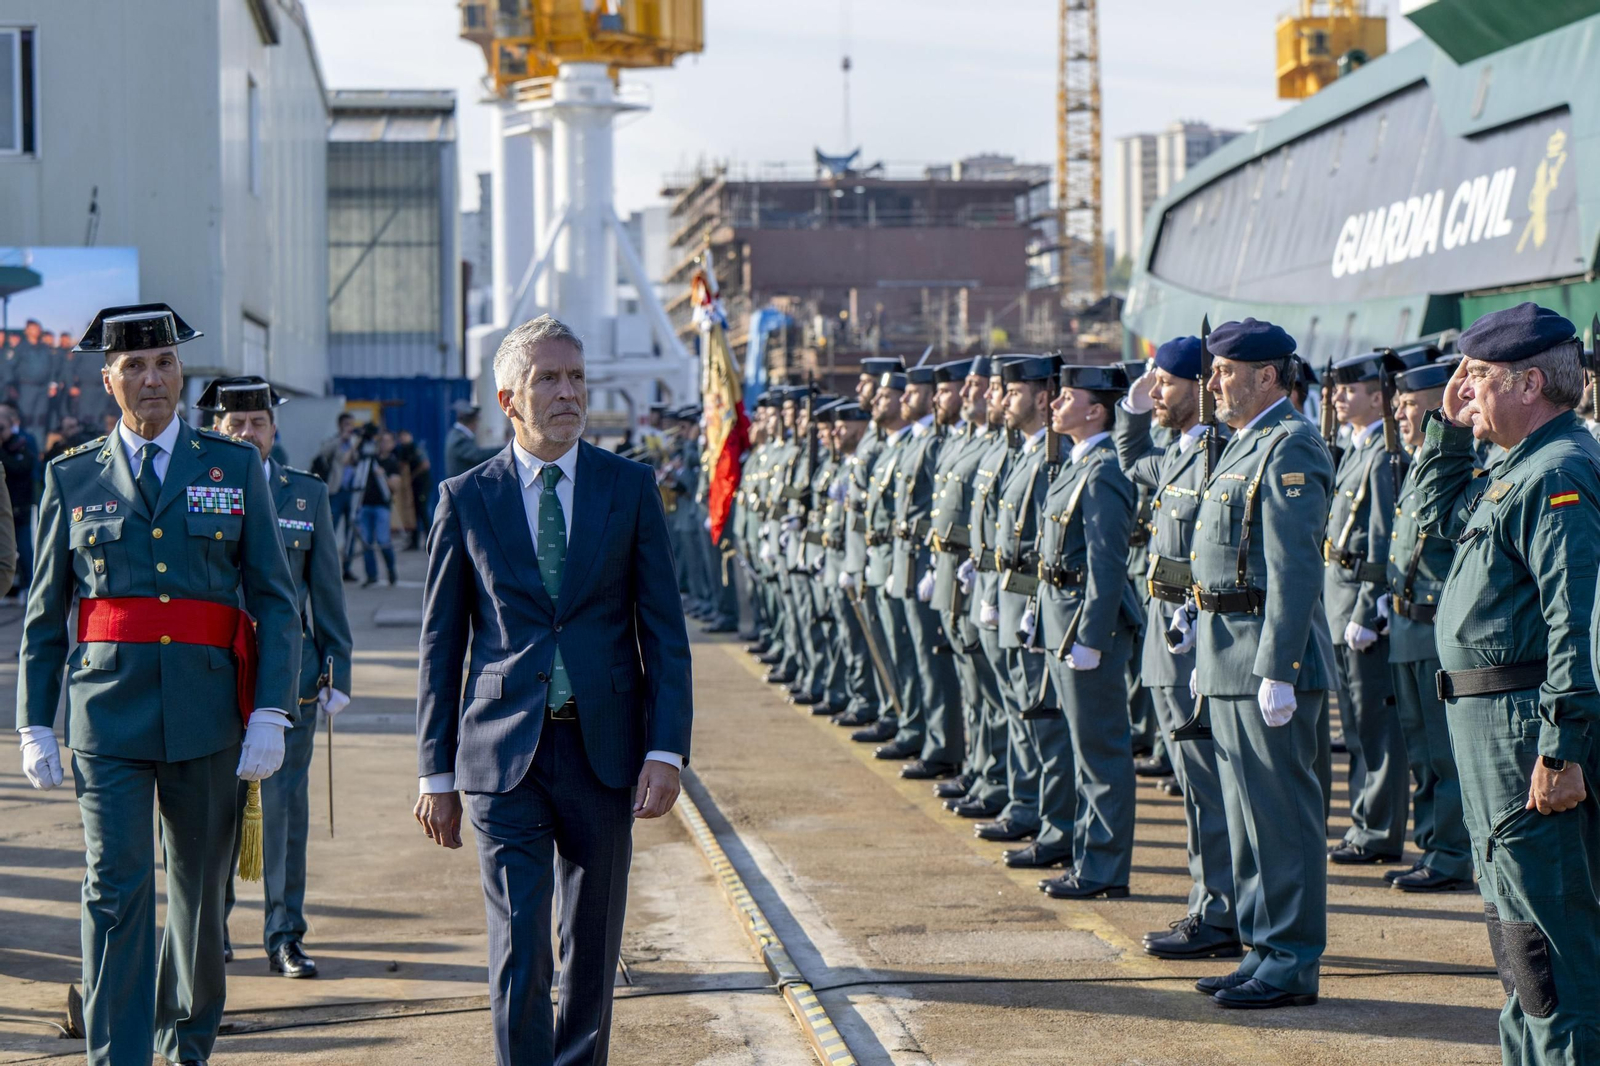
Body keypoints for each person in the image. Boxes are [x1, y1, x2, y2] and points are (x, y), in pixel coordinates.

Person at [15, 302, 301, 1065]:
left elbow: (274, 598)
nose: (152, 379)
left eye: (165, 364)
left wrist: (272, 708)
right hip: (105, 715)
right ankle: (118, 1054)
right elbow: (47, 613)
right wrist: (33, 720)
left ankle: (187, 1049)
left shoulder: (232, 465)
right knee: (113, 889)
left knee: (200, 902)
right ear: (109, 381)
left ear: (181, 374)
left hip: (208, 714)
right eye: (134, 367)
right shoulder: (72, 475)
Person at [414, 314, 691, 1066]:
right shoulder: (467, 497)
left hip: (606, 754)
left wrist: (666, 749)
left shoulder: (628, 487)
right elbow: (443, 644)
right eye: (548, 379)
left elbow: (663, 630)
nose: (568, 393)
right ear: (509, 398)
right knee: (521, 950)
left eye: (576, 378)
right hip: (504, 759)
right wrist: (434, 772)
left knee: (592, 950)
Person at [1412, 302, 1600, 1064]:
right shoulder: (1515, 469)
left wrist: (1561, 749)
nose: (1463, 387)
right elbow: (1433, 534)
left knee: (1552, 952)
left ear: (1529, 383)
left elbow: (1574, 623)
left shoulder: (1559, 473)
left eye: (1478, 376)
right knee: (1517, 942)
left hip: (1526, 732)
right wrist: (1449, 433)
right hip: (1491, 726)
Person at [1189, 318, 1335, 1009]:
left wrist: (1280, 666)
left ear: (1267, 375)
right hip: (1229, 656)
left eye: (1225, 371)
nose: (1213, 383)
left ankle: (1291, 960)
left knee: (1281, 820)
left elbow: (1295, 567)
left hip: (1266, 663)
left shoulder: (1291, 442)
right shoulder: (1244, 444)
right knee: (1247, 820)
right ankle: (1262, 950)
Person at [205, 376, 354, 979]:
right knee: (211, 813)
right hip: (213, 678)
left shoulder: (304, 495)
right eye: (235, 425)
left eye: (258, 423)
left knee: (286, 815)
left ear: (275, 428)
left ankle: (284, 935)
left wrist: (336, 668)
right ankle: (207, 930)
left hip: (290, 678)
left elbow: (328, 591)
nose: (247, 434)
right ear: (216, 431)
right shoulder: (199, 493)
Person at [1115, 335, 1240, 958]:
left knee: (1210, 785)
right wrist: (1138, 402)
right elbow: (1129, 454)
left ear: (1201, 387)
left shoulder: (1218, 454)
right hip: (1170, 642)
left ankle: (1220, 912)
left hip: (1196, 642)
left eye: (1165, 382)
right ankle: (1209, 903)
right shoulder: (1180, 453)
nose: (1155, 392)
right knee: (1195, 786)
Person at [1035, 363, 1143, 899]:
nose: (1053, 405)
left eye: (1066, 398)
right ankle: (1088, 859)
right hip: (1064, 620)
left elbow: (1107, 563)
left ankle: (1102, 869)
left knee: (1101, 751)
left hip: (1085, 625)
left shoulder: (1103, 469)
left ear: (1096, 410)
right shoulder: (1076, 465)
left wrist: (1091, 638)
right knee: (1082, 749)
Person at [1382, 359, 1474, 893]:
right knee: (1420, 749)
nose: (1399, 410)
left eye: (1409, 403)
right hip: (1405, 625)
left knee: (1443, 753)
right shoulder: (1418, 460)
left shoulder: (1459, 464)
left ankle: (1450, 856)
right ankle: (1431, 848)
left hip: (1437, 627)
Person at [1322, 352, 1409, 867]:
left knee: (1373, 725)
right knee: (1355, 724)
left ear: (1378, 397)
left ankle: (1377, 829)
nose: (1337, 398)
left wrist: (1366, 609)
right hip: (1337, 601)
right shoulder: (1356, 451)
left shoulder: (1380, 455)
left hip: (1359, 607)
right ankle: (1364, 821)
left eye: (1348, 390)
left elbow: (1380, 541)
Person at [975, 356, 1059, 856]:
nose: (1002, 400)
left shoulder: (1049, 458)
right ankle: (1025, 803)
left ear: (1041, 397)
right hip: (1007, 598)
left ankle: (1046, 819)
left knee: (1040, 720)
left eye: (1012, 391)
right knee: (1018, 710)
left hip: (1029, 604)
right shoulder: (1025, 453)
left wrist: (1027, 603)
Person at [887, 362, 964, 779]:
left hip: (926, 558)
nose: (921, 400)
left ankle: (942, 745)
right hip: (910, 559)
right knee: (916, 657)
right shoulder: (920, 442)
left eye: (918, 392)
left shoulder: (936, 443)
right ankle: (922, 731)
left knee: (935, 663)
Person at [347, 427, 400, 587]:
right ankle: (371, 575)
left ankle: (391, 570)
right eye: (381, 441)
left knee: (384, 540)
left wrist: (382, 474)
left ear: (392, 444)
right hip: (365, 505)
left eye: (387, 441)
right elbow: (348, 461)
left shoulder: (392, 462)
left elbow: (395, 486)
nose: (383, 445)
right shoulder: (367, 459)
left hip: (381, 506)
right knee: (366, 542)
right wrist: (358, 443)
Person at [0, 403, 37, 599]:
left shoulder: (22, 442)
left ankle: (29, 587)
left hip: (19, 506)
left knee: (24, 549)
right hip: (5, 506)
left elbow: (22, 468)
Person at [395, 429, 433, 551]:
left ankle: (432, 541)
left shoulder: (416, 448)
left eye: (404, 436)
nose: (403, 439)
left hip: (422, 485)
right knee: (414, 513)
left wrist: (412, 476)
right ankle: (414, 542)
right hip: (413, 487)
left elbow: (425, 464)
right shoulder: (403, 450)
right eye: (401, 437)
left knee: (422, 512)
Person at [444, 399, 500, 478]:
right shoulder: (459, 439)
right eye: (477, 420)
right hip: (460, 487)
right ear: (473, 421)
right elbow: (478, 456)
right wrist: (504, 449)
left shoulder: (457, 434)